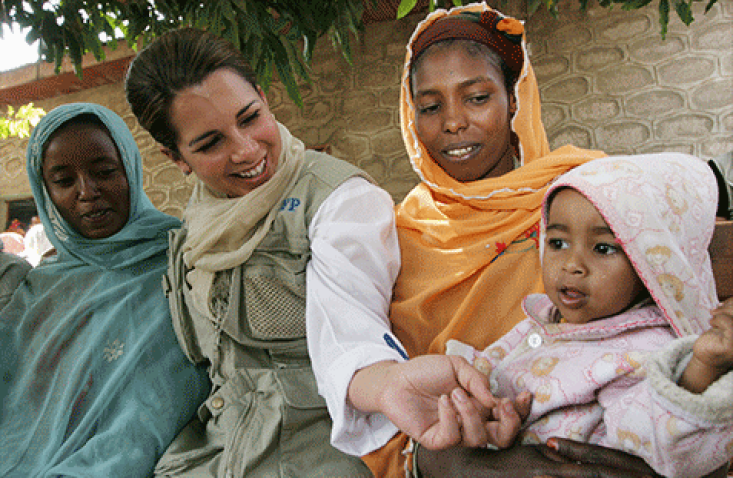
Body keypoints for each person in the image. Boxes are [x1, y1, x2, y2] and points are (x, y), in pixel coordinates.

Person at [353, 3, 728, 478]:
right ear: (411, 118)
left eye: (476, 97)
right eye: (430, 106)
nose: (453, 122)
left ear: (514, 99)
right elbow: (381, 403)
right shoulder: (396, 236)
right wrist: (471, 465)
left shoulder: (589, 195)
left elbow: (672, 333)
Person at [445, 153, 733, 478]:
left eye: (603, 248)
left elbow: (654, 439)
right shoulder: (545, 321)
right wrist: (481, 404)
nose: (572, 264)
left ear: (651, 263)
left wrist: (703, 366)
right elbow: (487, 369)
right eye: (557, 242)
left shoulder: (643, 352)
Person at [0, 103, 210, 477]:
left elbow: (157, 409)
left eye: (105, 172)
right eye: (64, 181)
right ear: (44, 191)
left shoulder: (185, 263)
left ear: (129, 168)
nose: (87, 192)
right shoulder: (39, 287)